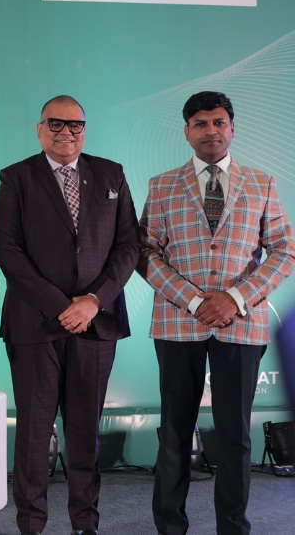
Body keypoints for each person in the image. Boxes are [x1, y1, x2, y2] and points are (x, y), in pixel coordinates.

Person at [139, 91, 295, 535]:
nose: (211, 131)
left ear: (232, 128)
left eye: (219, 122)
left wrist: (236, 298)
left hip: (241, 325)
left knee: (234, 436)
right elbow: (145, 252)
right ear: (187, 131)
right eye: (201, 124)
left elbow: (283, 250)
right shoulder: (162, 185)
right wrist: (193, 300)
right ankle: (170, 527)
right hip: (177, 323)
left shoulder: (261, 183)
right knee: (175, 432)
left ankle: (233, 527)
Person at [0, 95, 139, 535]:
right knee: (34, 433)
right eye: (55, 124)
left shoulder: (111, 174)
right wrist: (62, 306)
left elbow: (129, 246)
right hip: (35, 325)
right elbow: (8, 251)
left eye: (75, 125)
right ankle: (31, 525)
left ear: (84, 130)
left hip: (97, 324)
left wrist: (93, 301)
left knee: (84, 432)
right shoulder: (16, 177)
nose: (66, 132)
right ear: (40, 129)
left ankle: (85, 524)